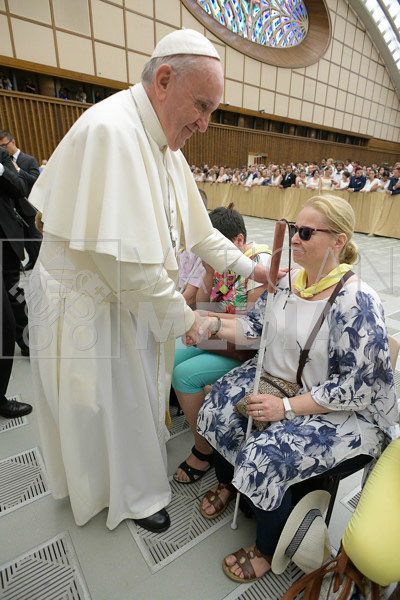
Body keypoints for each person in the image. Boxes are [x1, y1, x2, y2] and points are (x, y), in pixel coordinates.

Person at [26, 29, 270, 534]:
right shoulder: (112, 132)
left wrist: (254, 269)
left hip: (131, 303)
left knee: (131, 400)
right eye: (201, 106)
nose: (204, 124)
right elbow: (128, 268)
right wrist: (188, 319)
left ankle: (131, 487)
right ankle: (116, 494)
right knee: (95, 405)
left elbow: (201, 232)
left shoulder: (164, 145)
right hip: (88, 303)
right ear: (163, 80)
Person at [191, 195, 398, 582]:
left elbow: (357, 389)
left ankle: (267, 548)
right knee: (217, 405)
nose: (294, 239)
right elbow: (255, 330)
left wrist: (285, 408)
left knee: (264, 457)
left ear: (338, 241)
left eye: (305, 232)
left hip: (336, 408)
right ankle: (229, 483)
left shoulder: (357, 301)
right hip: (281, 382)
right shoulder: (286, 281)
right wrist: (210, 324)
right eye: (292, 229)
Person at [173, 205, 271, 484]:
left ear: (238, 240)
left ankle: (203, 451)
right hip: (219, 334)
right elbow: (204, 304)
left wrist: (205, 322)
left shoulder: (259, 262)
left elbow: (250, 324)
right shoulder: (221, 262)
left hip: (246, 347)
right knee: (172, 355)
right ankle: (199, 419)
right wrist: (207, 273)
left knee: (184, 375)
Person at [0, 147, 33, 417]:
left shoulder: (1, 157)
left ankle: (27, 342)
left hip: (6, 244)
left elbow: (20, 187)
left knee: (14, 296)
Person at [0, 130, 41, 271]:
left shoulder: (29, 160)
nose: (3, 149)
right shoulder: (3, 160)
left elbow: (36, 180)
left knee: (35, 237)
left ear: (13, 142)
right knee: (24, 239)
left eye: (4, 145)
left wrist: (19, 171)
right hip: (13, 209)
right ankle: (32, 260)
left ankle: (40, 263)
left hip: (28, 206)